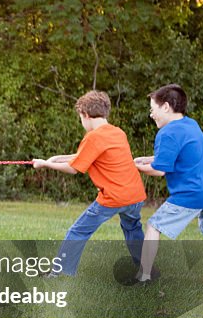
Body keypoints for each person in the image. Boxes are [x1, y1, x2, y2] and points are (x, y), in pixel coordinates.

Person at [32, 90, 145, 277]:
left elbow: (74, 168)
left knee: (77, 232)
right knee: (132, 228)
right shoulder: (117, 133)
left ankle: (60, 273)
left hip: (113, 197)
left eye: (80, 118)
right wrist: (58, 158)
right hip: (135, 196)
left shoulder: (93, 136)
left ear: (85, 115)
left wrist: (46, 164)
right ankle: (146, 269)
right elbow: (87, 156)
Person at [133, 84, 203, 284]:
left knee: (154, 226)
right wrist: (147, 159)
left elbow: (160, 170)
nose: (151, 115)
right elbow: (178, 156)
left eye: (152, 109)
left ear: (165, 107)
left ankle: (144, 277)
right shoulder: (191, 124)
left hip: (192, 194)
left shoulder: (167, 133)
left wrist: (133, 166)